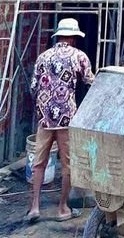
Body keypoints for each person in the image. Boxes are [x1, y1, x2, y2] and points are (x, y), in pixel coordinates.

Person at [27, 17, 94, 222]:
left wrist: (43, 108)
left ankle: (34, 208)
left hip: (44, 119)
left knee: (39, 163)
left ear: (58, 36)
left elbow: (33, 87)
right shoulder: (79, 56)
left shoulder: (43, 57)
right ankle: (62, 208)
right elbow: (91, 82)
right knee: (68, 165)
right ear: (73, 38)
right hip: (66, 118)